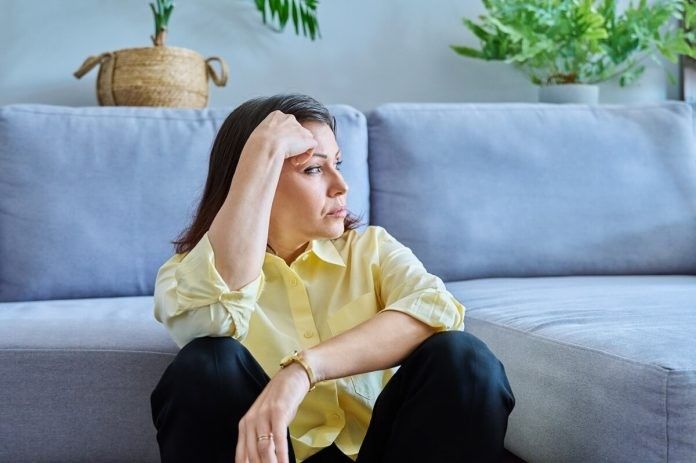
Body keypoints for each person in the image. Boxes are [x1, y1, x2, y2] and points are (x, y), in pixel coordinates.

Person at [150, 93, 516, 463]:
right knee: (206, 362)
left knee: (465, 358)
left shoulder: (371, 249)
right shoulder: (185, 274)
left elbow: (437, 310)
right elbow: (210, 318)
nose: (341, 185)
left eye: (337, 164)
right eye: (313, 169)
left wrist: (303, 371)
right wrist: (260, 152)